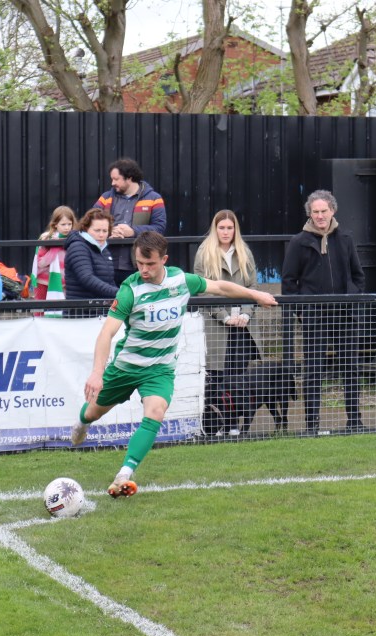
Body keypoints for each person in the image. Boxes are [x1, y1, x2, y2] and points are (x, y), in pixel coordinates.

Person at [70, 231, 277, 497]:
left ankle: (125, 474)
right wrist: (97, 373)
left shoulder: (180, 280)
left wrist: (255, 294)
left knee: (156, 411)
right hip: (126, 367)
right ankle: (81, 422)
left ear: (164, 259)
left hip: (160, 369)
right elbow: (106, 333)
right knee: (93, 413)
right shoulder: (129, 290)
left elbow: (220, 287)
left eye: (150, 264)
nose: (143, 270)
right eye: (139, 263)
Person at [281, 189, 365, 434]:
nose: (320, 216)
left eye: (323, 211)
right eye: (315, 212)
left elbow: (359, 276)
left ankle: (355, 421)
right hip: (315, 318)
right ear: (310, 213)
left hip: (344, 317)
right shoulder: (298, 242)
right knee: (313, 371)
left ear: (333, 211)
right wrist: (303, 312)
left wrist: (352, 300)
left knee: (350, 368)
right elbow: (289, 282)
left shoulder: (346, 238)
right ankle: (312, 424)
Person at [192, 209, 261, 383]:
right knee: (217, 377)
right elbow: (203, 290)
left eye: (230, 228)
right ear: (215, 229)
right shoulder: (204, 253)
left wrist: (246, 314)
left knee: (240, 377)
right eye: (221, 227)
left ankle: (238, 411)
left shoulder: (245, 252)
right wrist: (225, 317)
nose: (225, 232)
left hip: (243, 325)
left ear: (235, 229)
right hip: (217, 325)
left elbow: (252, 286)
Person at [93, 158, 166, 285]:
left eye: (116, 179)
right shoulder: (105, 198)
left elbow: (159, 228)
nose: (112, 183)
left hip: (139, 265)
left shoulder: (155, 199)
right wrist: (109, 231)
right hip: (107, 263)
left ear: (130, 178)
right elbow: (90, 223)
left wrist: (132, 231)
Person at [63, 208, 118, 315]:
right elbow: (87, 278)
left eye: (105, 231)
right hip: (81, 313)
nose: (101, 235)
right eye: (97, 230)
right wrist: (119, 293)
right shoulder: (78, 247)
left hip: (100, 312)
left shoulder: (103, 249)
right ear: (86, 228)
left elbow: (109, 280)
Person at [33, 206, 75, 305]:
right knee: (41, 310)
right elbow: (40, 263)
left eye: (69, 224)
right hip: (44, 281)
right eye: (63, 224)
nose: (67, 227)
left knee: (60, 311)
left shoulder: (74, 239)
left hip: (65, 283)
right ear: (55, 224)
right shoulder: (46, 238)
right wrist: (55, 247)